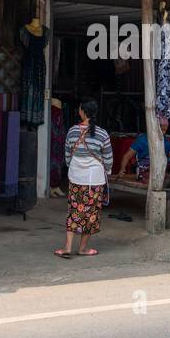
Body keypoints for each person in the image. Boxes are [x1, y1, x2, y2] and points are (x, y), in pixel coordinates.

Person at [59, 99, 113, 258]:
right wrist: (107, 170)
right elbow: (108, 158)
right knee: (91, 214)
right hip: (94, 180)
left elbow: (67, 155)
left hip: (76, 177)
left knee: (74, 211)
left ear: (82, 112)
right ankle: (82, 249)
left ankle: (67, 247)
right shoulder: (103, 134)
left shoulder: (72, 131)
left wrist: (74, 167)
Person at [113, 117, 170, 183]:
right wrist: (122, 169)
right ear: (155, 128)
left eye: (165, 130)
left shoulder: (165, 140)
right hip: (143, 170)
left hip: (158, 171)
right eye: (162, 130)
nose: (164, 133)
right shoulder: (142, 140)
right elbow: (126, 157)